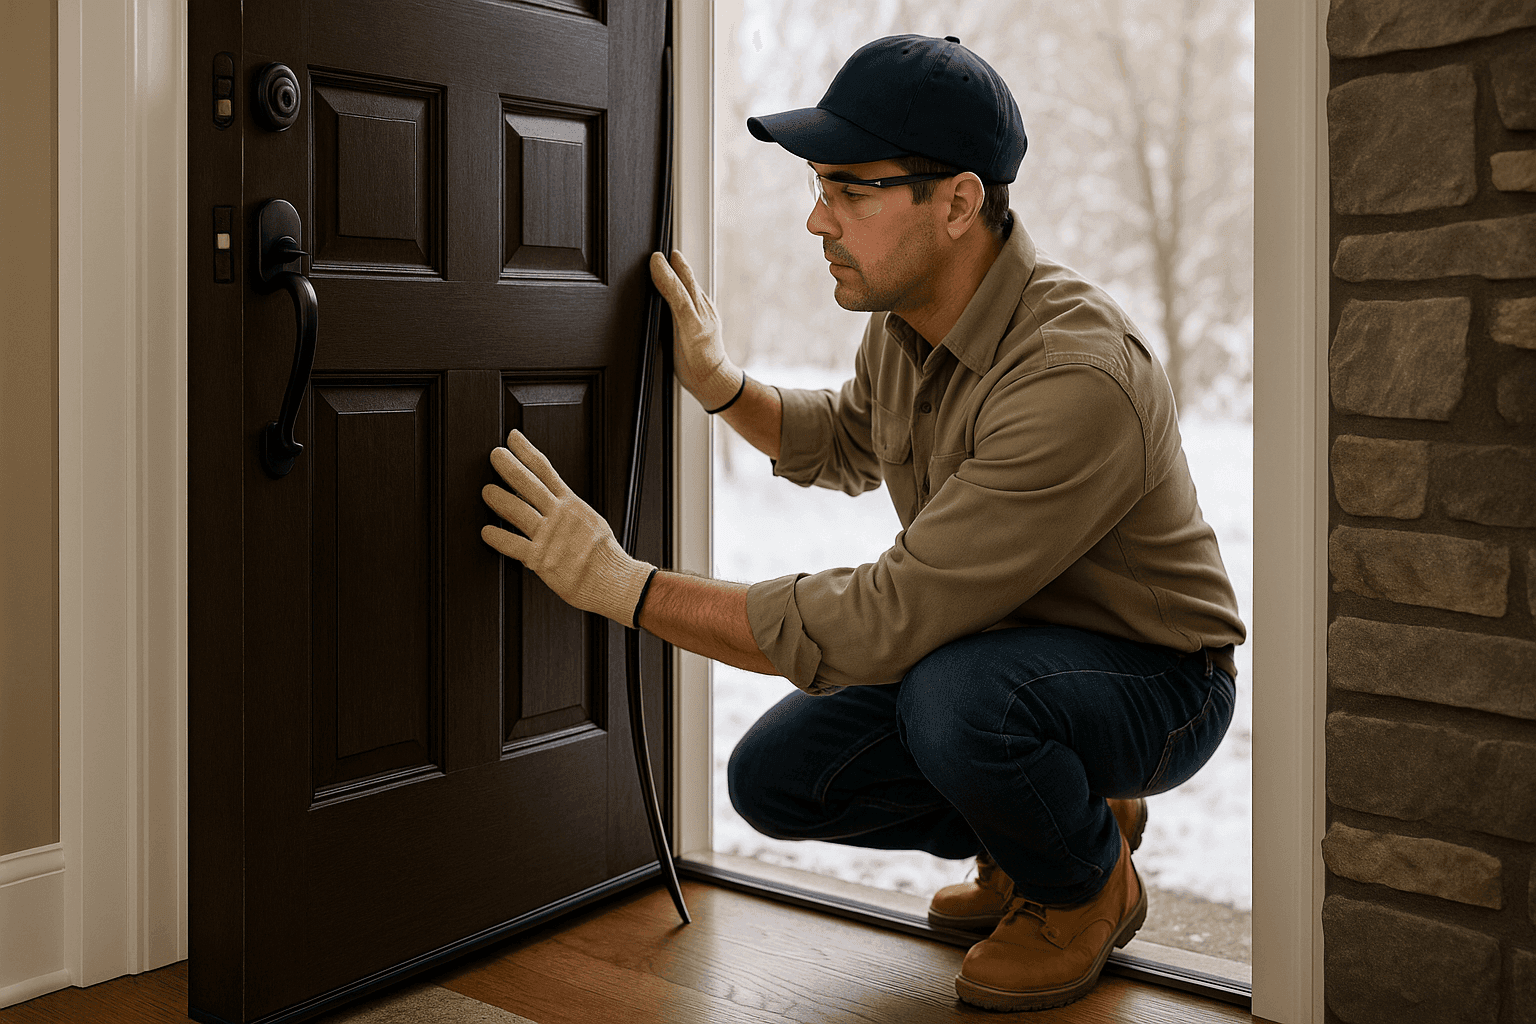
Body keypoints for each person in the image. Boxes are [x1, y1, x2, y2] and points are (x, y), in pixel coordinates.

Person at [480, 33, 1245, 1013]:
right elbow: (848, 438)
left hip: (1157, 675)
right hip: (998, 650)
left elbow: (886, 617)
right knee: (781, 777)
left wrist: (622, 586)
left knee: (956, 698)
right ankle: (1046, 825)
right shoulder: (908, 326)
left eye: (850, 190)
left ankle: (1083, 883)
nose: (816, 219)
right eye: (818, 186)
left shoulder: (1075, 375)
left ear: (959, 202)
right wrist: (721, 386)